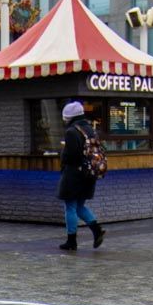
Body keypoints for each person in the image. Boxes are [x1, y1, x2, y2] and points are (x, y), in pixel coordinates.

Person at [56, 102, 105, 251]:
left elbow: (71, 155)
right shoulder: (90, 129)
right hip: (89, 174)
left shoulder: (72, 131)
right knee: (80, 206)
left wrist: (63, 157)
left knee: (70, 206)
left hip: (74, 175)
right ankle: (96, 230)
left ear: (69, 117)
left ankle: (71, 241)